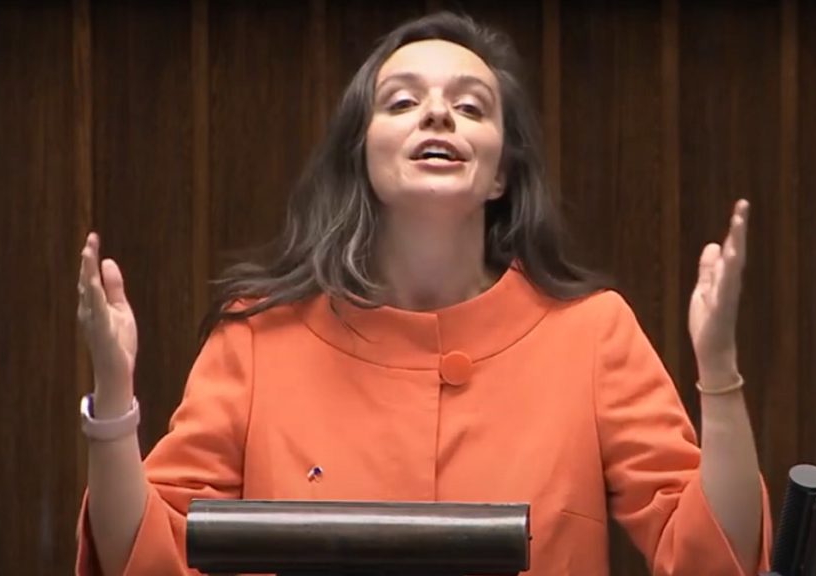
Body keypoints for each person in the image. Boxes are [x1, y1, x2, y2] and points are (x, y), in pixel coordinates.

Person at [74, 11, 770, 576]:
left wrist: (719, 374)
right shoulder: (259, 336)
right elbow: (150, 559)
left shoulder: (592, 333)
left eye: (470, 107)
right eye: (402, 102)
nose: (437, 115)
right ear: (363, 155)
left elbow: (714, 559)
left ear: (500, 174)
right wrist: (112, 401)